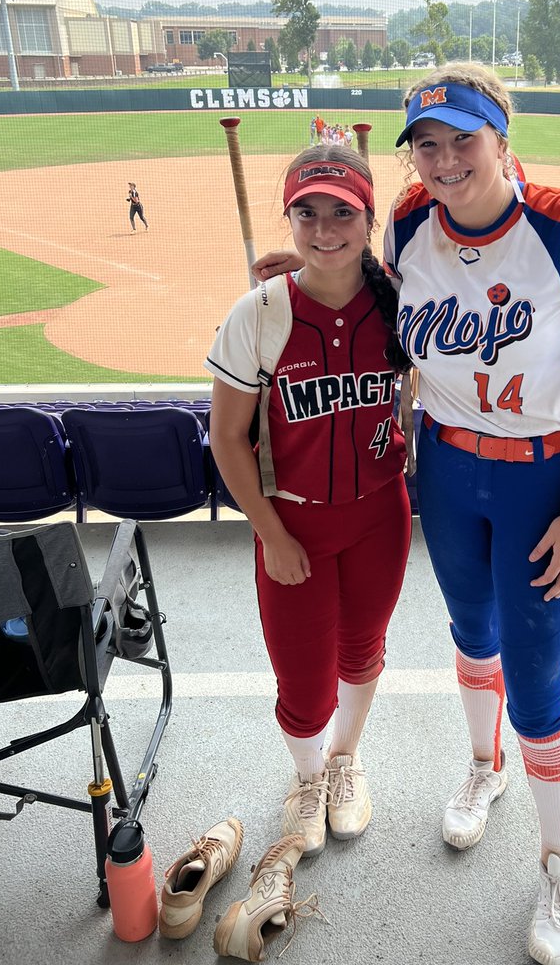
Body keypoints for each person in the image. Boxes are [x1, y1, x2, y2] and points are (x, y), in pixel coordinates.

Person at [253, 63, 560, 965]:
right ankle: (484, 769)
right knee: (470, 633)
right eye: (428, 143)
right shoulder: (411, 222)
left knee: (540, 696)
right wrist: (300, 271)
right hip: (448, 475)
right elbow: (380, 305)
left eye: (465, 138)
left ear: (501, 136)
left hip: (547, 480)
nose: (446, 158)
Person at [207, 145, 412, 861]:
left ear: (367, 216)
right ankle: (305, 777)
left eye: (341, 212)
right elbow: (228, 440)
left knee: (362, 650)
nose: (324, 229)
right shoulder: (258, 314)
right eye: (307, 212)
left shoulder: (402, 300)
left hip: (381, 514)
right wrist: (270, 533)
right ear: (289, 217)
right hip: (292, 522)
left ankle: (345, 761)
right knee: (301, 678)